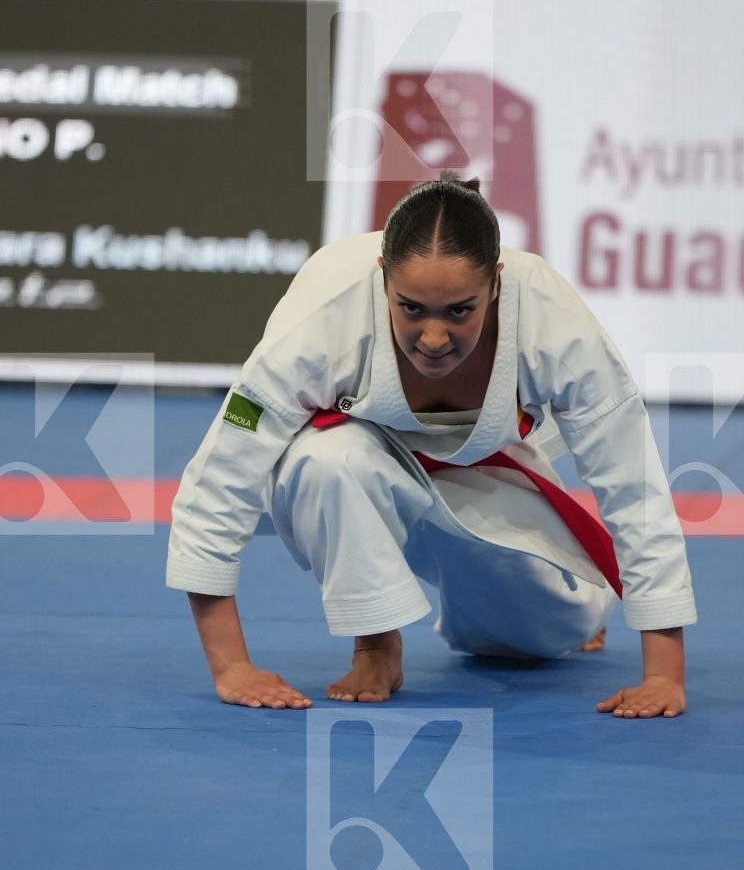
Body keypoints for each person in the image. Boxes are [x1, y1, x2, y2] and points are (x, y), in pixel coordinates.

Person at [166, 173, 696, 718]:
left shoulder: (554, 324)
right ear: (382, 278)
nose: (435, 338)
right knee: (325, 462)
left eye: (460, 310)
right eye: (412, 308)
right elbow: (217, 484)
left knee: (530, 640)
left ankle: (577, 608)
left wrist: (663, 674)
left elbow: (636, 490)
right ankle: (375, 646)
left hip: (483, 466)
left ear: (496, 282)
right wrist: (232, 667)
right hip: (357, 460)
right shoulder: (320, 325)